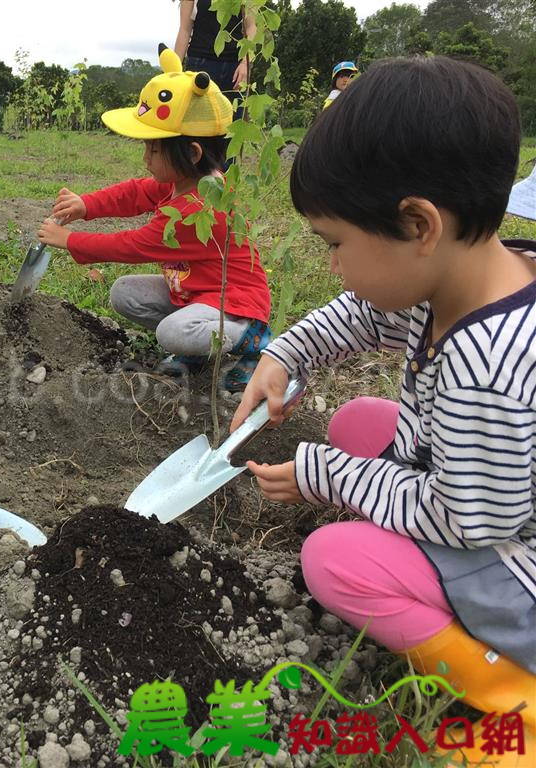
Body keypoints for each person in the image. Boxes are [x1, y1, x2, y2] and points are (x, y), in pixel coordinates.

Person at [233, 57, 535, 761]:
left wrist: (326, 476)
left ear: (418, 224)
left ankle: (503, 689)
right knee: (359, 421)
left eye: (337, 244)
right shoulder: (466, 272)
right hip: (489, 493)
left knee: (333, 559)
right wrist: (287, 354)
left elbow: (463, 521)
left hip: (509, 559)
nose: (334, 265)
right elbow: (365, 317)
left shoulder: (487, 370)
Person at [37, 46, 272, 391]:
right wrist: (86, 205)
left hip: (233, 303)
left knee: (171, 333)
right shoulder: (179, 183)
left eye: (154, 149)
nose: (146, 157)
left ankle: (254, 341)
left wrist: (70, 240)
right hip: (194, 294)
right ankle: (195, 350)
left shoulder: (201, 207)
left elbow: (135, 245)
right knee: (124, 294)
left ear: (191, 153)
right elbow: (133, 193)